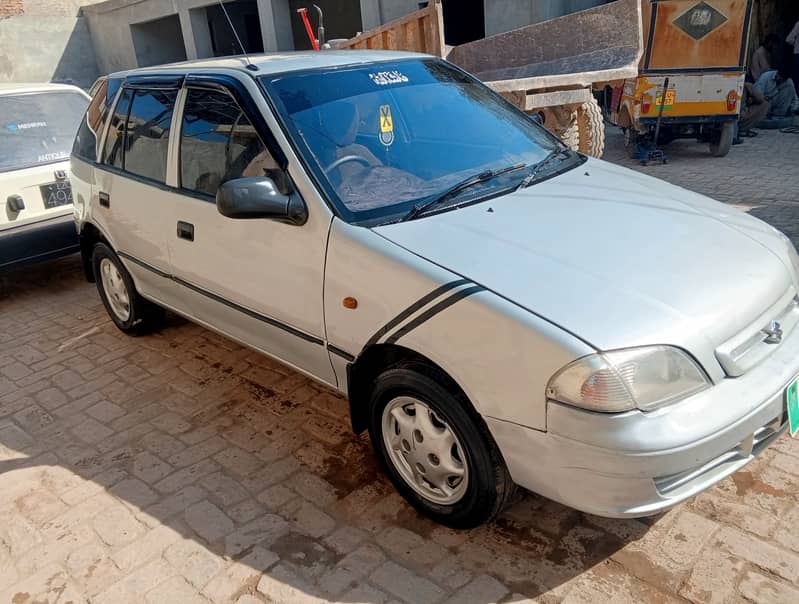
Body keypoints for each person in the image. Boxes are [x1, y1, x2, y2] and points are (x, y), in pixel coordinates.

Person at [789, 19, 799, 95]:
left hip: (797, 54)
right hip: (797, 55)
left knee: (796, 79)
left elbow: (789, 39)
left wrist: (796, 45)